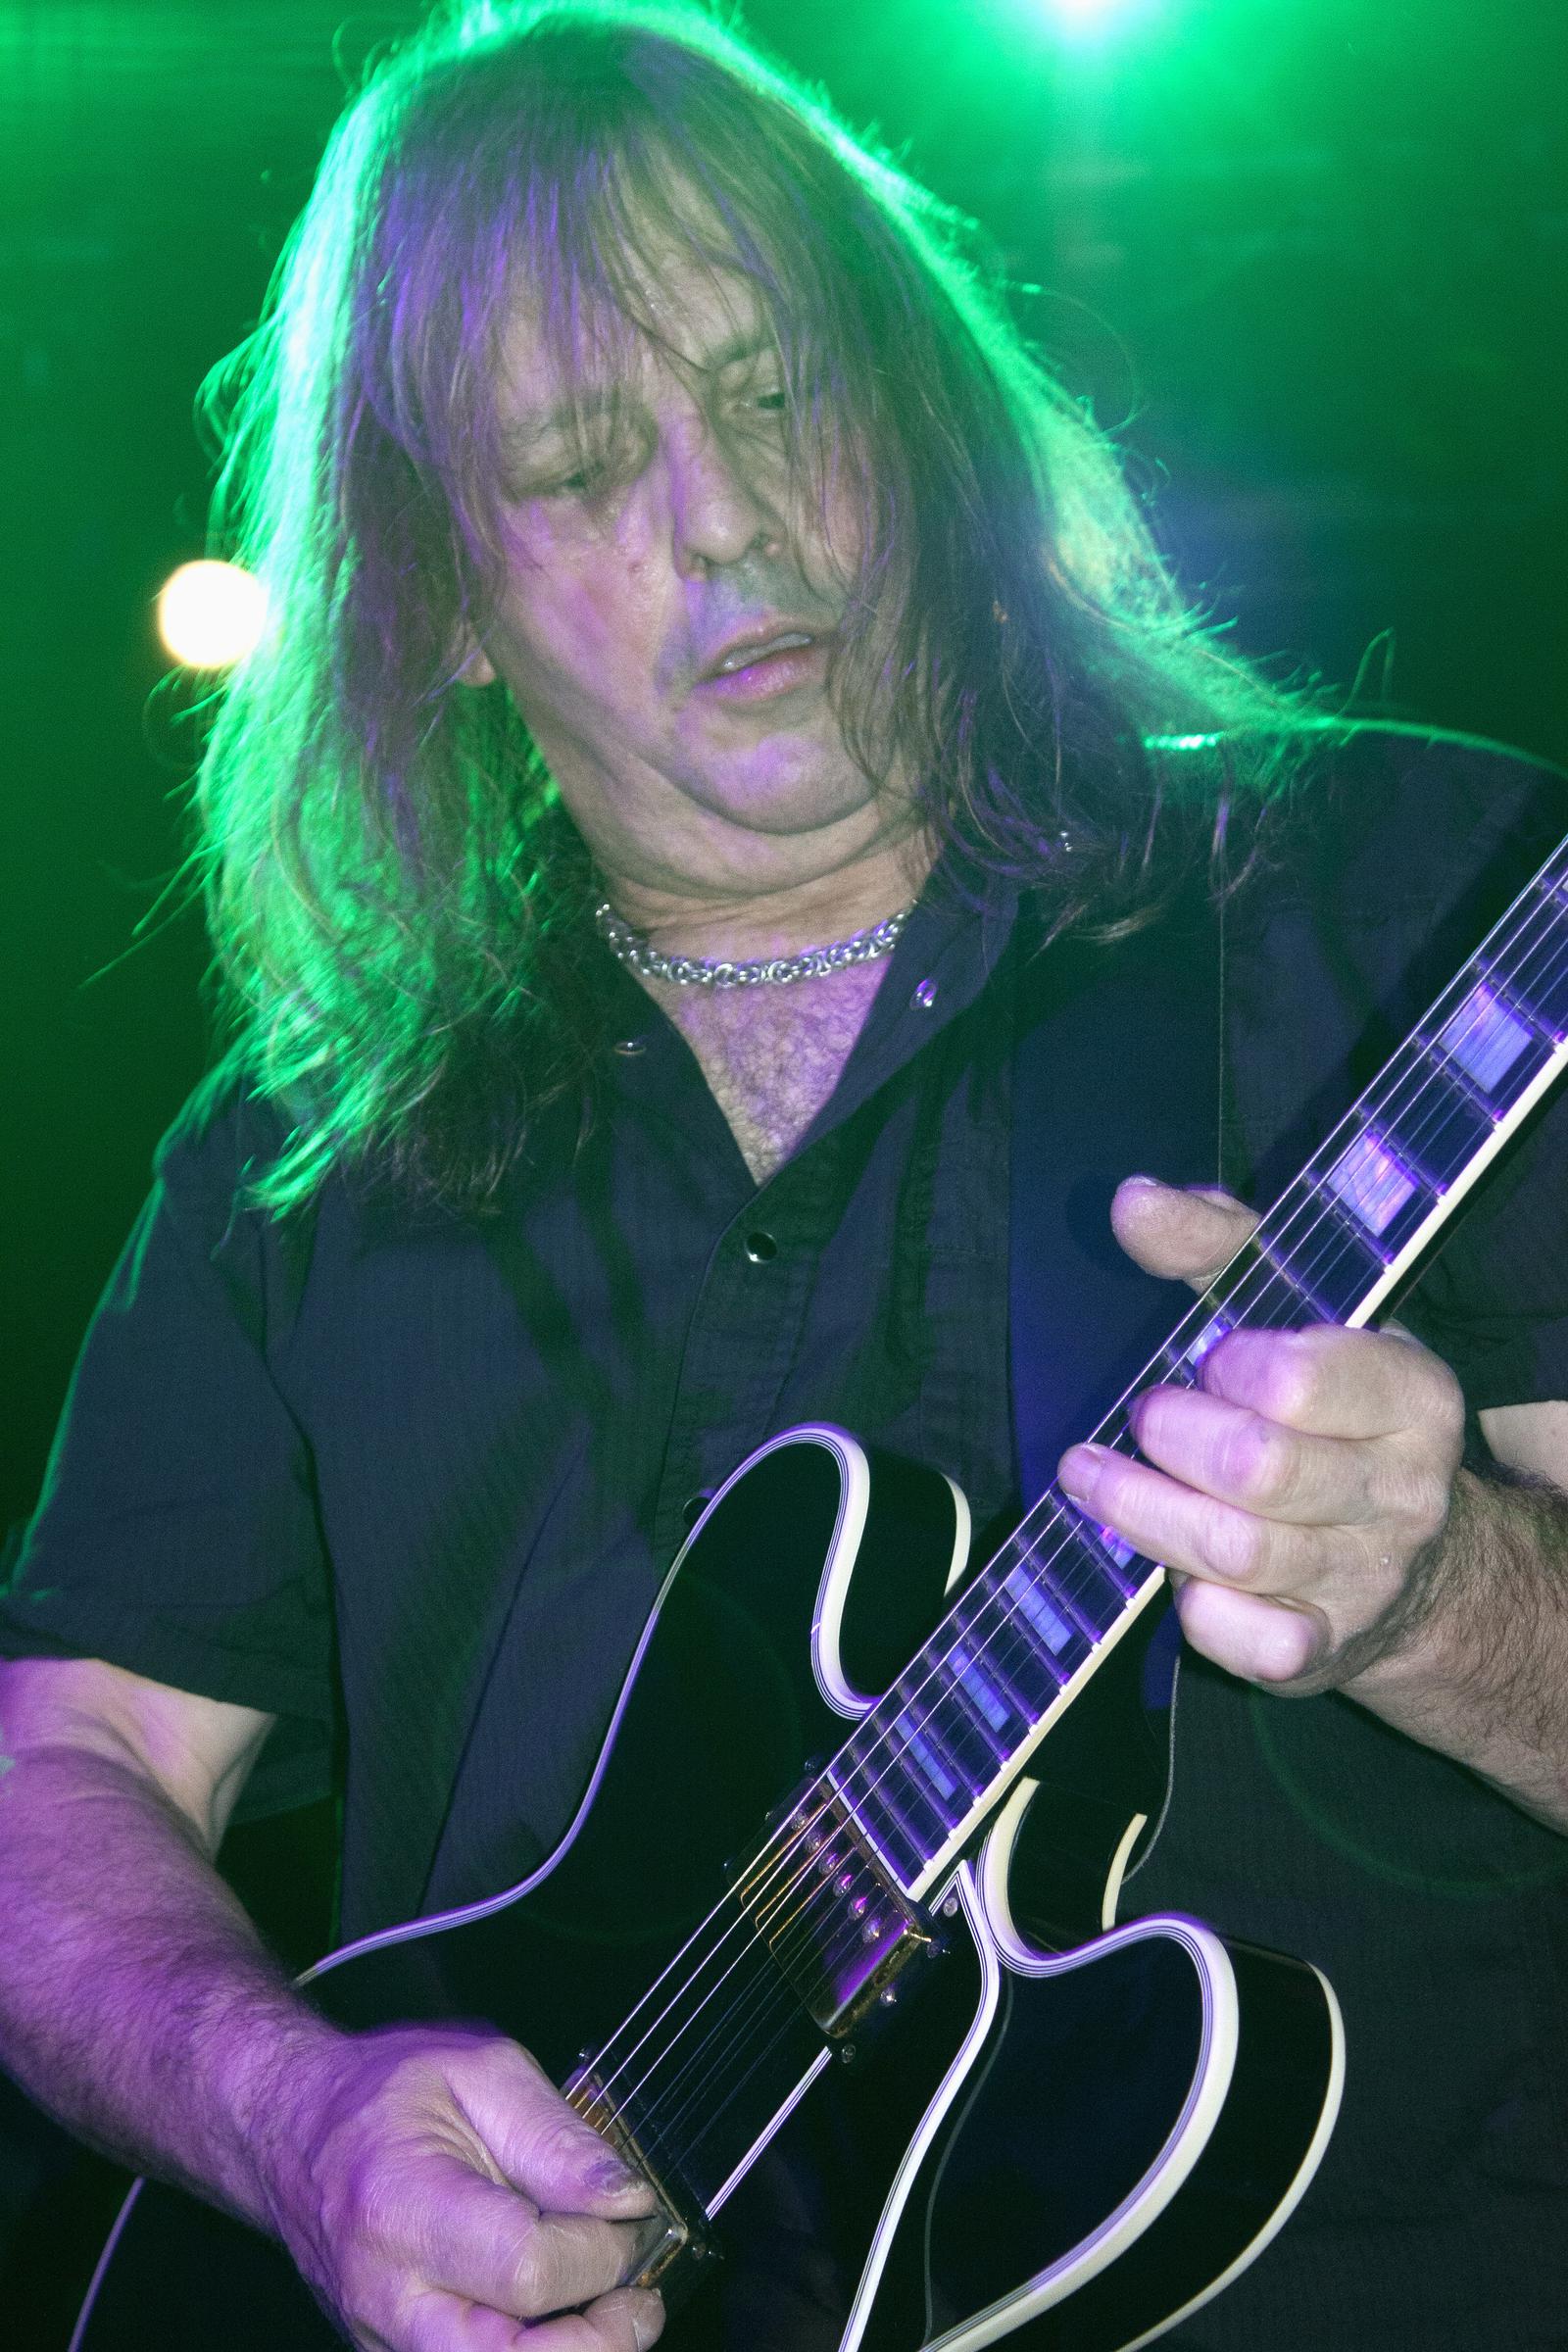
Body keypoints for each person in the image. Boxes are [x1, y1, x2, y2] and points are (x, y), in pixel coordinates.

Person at [2, 5, 1566, 2348]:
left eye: (773, 390)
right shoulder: (295, 1149)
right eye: (579, 456)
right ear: (428, 597)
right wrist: (299, 2127)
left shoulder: (1390, 897)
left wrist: (1440, 1590)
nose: (722, 513)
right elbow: (62, 1772)